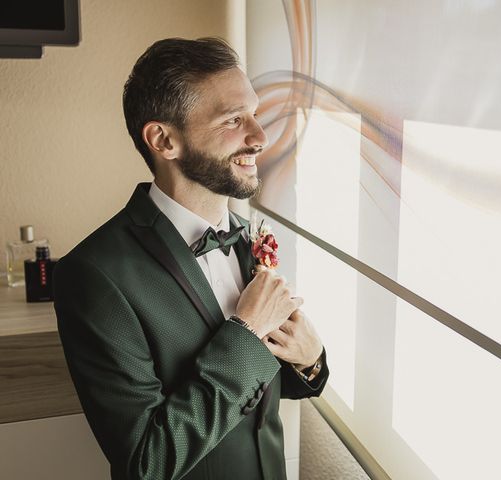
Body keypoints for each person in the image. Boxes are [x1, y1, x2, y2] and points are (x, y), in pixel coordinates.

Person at [53, 37, 329, 480]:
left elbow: (263, 389)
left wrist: (310, 359)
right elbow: (147, 462)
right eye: (233, 120)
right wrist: (247, 331)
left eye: (254, 114)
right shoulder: (92, 276)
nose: (259, 137)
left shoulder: (246, 238)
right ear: (163, 140)